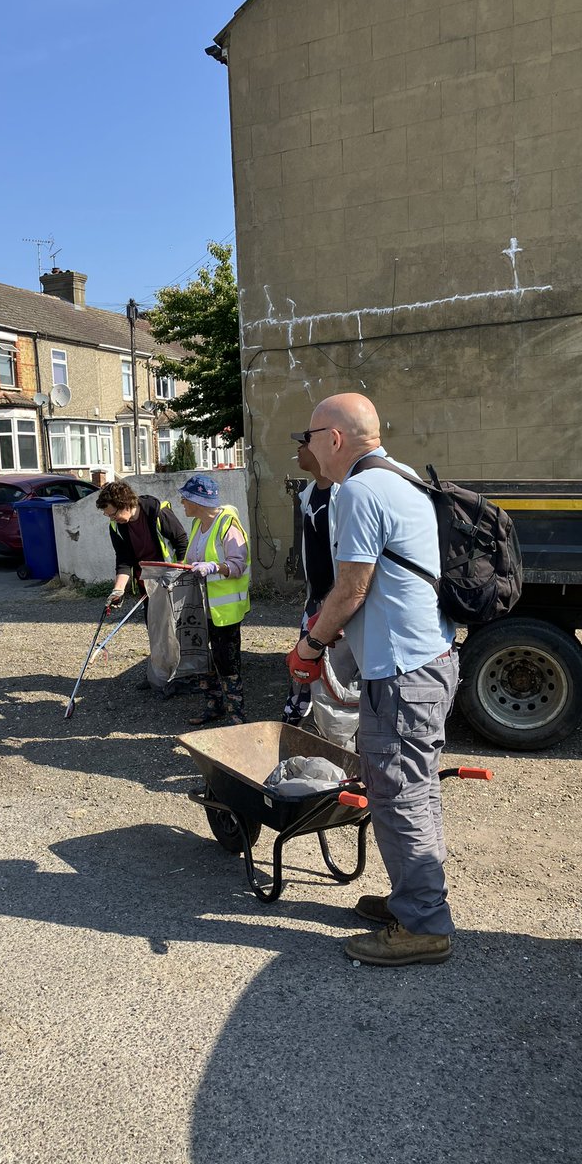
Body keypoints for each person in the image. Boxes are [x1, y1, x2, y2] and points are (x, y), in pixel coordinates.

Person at [286, 393, 458, 967]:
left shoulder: (358, 491)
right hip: (426, 663)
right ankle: (417, 901)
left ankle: (423, 927)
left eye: (308, 436)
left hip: (403, 676)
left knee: (399, 795)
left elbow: (352, 589)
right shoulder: (400, 475)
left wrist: (310, 646)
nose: (305, 447)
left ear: (333, 438)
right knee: (417, 789)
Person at [179, 475, 251, 726]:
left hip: (225, 610)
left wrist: (214, 567)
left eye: (185, 498)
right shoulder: (197, 525)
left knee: (227, 661)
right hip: (202, 607)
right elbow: (191, 560)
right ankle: (213, 707)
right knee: (204, 659)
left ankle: (236, 716)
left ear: (197, 501)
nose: (182, 503)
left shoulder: (227, 525)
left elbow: (239, 564)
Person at [282, 437, 338, 725]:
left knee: (338, 671)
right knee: (304, 663)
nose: (298, 449)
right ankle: (297, 717)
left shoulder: (344, 495)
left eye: (303, 443)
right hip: (315, 599)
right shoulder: (309, 494)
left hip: (340, 601)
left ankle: (333, 728)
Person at [96, 480, 188, 608]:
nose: (112, 519)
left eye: (113, 514)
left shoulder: (158, 512)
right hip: (145, 583)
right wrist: (118, 590)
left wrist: (176, 574)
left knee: (174, 624)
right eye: (108, 515)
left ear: (125, 504)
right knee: (152, 624)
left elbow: (182, 542)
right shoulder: (115, 527)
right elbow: (124, 560)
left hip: (171, 580)